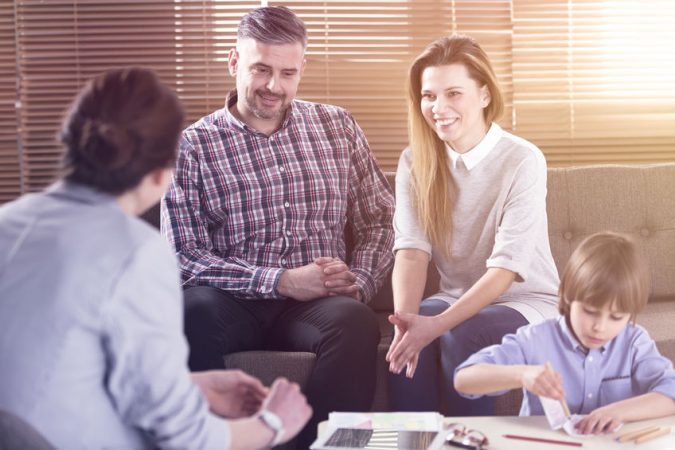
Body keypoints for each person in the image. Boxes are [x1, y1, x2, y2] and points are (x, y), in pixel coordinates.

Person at [0, 67, 311, 449]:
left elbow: (63, 371)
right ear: (165, 171)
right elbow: (188, 440)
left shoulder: (8, 222)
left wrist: (188, 388)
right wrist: (274, 423)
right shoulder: (137, 253)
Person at [160, 6, 395, 447]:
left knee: (356, 321)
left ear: (302, 68)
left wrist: (359, 281)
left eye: (288, 72)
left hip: (318, 305)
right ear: (234, 62)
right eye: (261, 69)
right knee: (192, 311)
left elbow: (381, 218)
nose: (274, 86)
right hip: (233, 299)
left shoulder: (337, 127)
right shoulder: (192, 146)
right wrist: (282, 281)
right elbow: (183, 257)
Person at [385, 35, 560, 416]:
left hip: (527, 302)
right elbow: (412, 252)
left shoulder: (522, 159)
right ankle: (415, 443)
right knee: (404, 343)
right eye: (428, 96)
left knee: (462, 333)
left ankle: (468, 443)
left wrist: (433, 326)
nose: (438, 107)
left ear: (483, 95)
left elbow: (506, 268)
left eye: (453, 93)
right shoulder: (415, 161)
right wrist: (406, 323)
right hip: (456, 296)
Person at [454, 232, 675, 434]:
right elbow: (464, 379)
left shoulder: (634, 342)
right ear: (566, 295)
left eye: (616, 317)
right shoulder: (536, 339)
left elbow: (671, 392)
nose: (600, 326)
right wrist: (522, 374)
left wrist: (617, 411)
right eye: (590, 311)